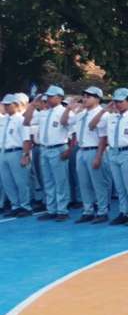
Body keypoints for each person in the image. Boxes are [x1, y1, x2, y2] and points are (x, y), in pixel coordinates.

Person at [89, 88, 128, 226]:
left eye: (121, 101)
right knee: (120, 187)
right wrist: (104, 110)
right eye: (115, 101)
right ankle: (124, 212)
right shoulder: (111, 117)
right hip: (113, 153)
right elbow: (92, 125)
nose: (117, 104)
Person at [61, 87, 110, 223]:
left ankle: (102, 211)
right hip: (81, 150)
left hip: (94, 150)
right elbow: (64, 122)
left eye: (89, 96)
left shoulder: (102, 114)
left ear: (97, 99)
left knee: (98, 183)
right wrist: (68, 109)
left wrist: (98, 156)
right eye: (84, 96)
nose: (85, 98)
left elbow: (103, 138)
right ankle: (87, 210)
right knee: (84, 183)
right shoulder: (81, 114)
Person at [23, 86, 72, 221]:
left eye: (51, 96)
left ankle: (62, 210)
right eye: (47, 96)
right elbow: (26, 121)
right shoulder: (43, 113)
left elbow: (74, 132)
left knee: (60, 181)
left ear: (59, 97)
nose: (48, 99)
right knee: (48, 181)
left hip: (58, 148)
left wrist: (69, 150)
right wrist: (32, 105)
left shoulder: (64, 112)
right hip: (45, 149)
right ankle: (51, 209)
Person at [1, 94, 33, 217]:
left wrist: (25, 155)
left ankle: (25, 206)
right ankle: (15, 205)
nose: (6, 107)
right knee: (7, 181)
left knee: (21, 181)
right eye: (5, 104)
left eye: (8, 104)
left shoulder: (21, 119)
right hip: (4, 152)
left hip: (16, 151)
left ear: (16, 104)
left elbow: (26, 139)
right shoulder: (3, 120)